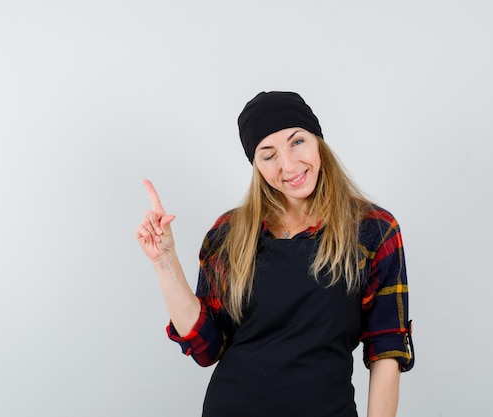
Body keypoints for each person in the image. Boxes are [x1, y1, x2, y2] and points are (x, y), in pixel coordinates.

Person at [136, 91, 414, 417]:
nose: (289, 164)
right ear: (256, 166)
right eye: (268, 155)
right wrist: (164, 262)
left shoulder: (373, 230)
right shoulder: (229, 234)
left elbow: (386, 349)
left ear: (318, 141)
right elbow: (207, 347)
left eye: (297, 142)